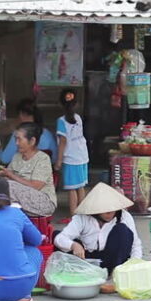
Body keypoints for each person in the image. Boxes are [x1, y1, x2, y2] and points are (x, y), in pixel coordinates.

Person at [54, 183, 143, 276]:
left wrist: (134, 265)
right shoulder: (82, 218)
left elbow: (135, 245)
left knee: (122, 230)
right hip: (87, 259)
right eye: (105, 210)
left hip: (113, 259)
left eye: (112, 210)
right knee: (56, 235)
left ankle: (114, 273)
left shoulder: (124, 216)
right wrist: (73, 245)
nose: (110, 213)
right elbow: (60, 238)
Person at [0, 122, 57, 217]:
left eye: (19, 139)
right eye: (15, 139)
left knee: (7, 186)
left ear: (32, 141)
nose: (16, 143)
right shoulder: (17, 156)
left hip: (43, 203)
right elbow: (6, 177)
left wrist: (10, 175)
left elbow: (36, 186)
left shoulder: (43, 158)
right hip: (20, 200)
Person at [55, 88, 89, 217]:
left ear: (60, 104)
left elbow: (63, 141)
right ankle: (82, 214)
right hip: (82, 155)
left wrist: (58, 160)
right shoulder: (78, 118)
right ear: (76, 104)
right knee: (80, 186)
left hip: (71, 157)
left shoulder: (61, 121)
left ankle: (74, 216)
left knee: (71, 188)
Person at [0, 98, 57, 165]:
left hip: (24, 173)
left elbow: (5, 159)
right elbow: (54, 159)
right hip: (44, 172)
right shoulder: (47, 134)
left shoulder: (19, 134)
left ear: (22, 114)